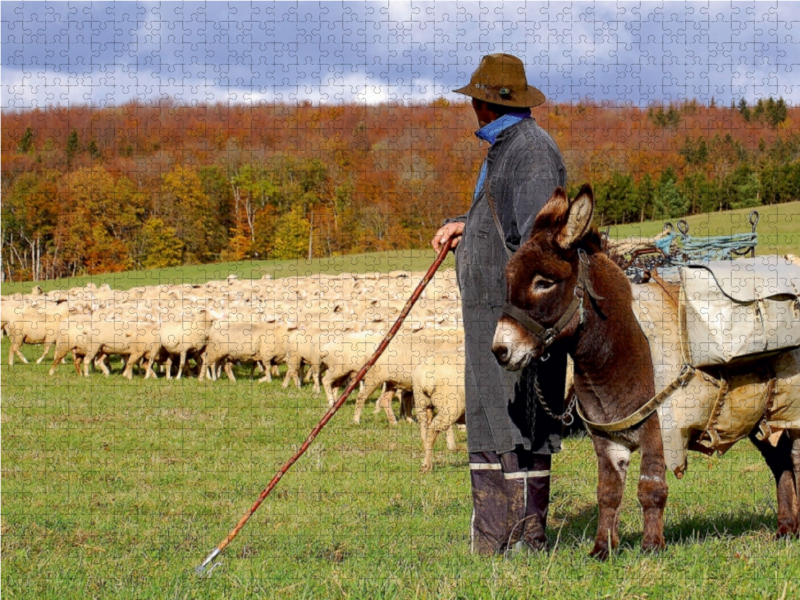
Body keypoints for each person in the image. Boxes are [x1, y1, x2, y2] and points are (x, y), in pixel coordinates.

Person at [431, 53, 568, 555]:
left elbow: (539, 249)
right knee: (494, 421)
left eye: (477, 101)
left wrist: (520, 324)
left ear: (488, 105)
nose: (473, 110)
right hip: (493, 324)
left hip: (513, 329)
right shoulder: (505, 149)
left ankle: (515, 543)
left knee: (517, 424)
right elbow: (511, 225)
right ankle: (498, 543)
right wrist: (470, 228)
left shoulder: (529, 153)